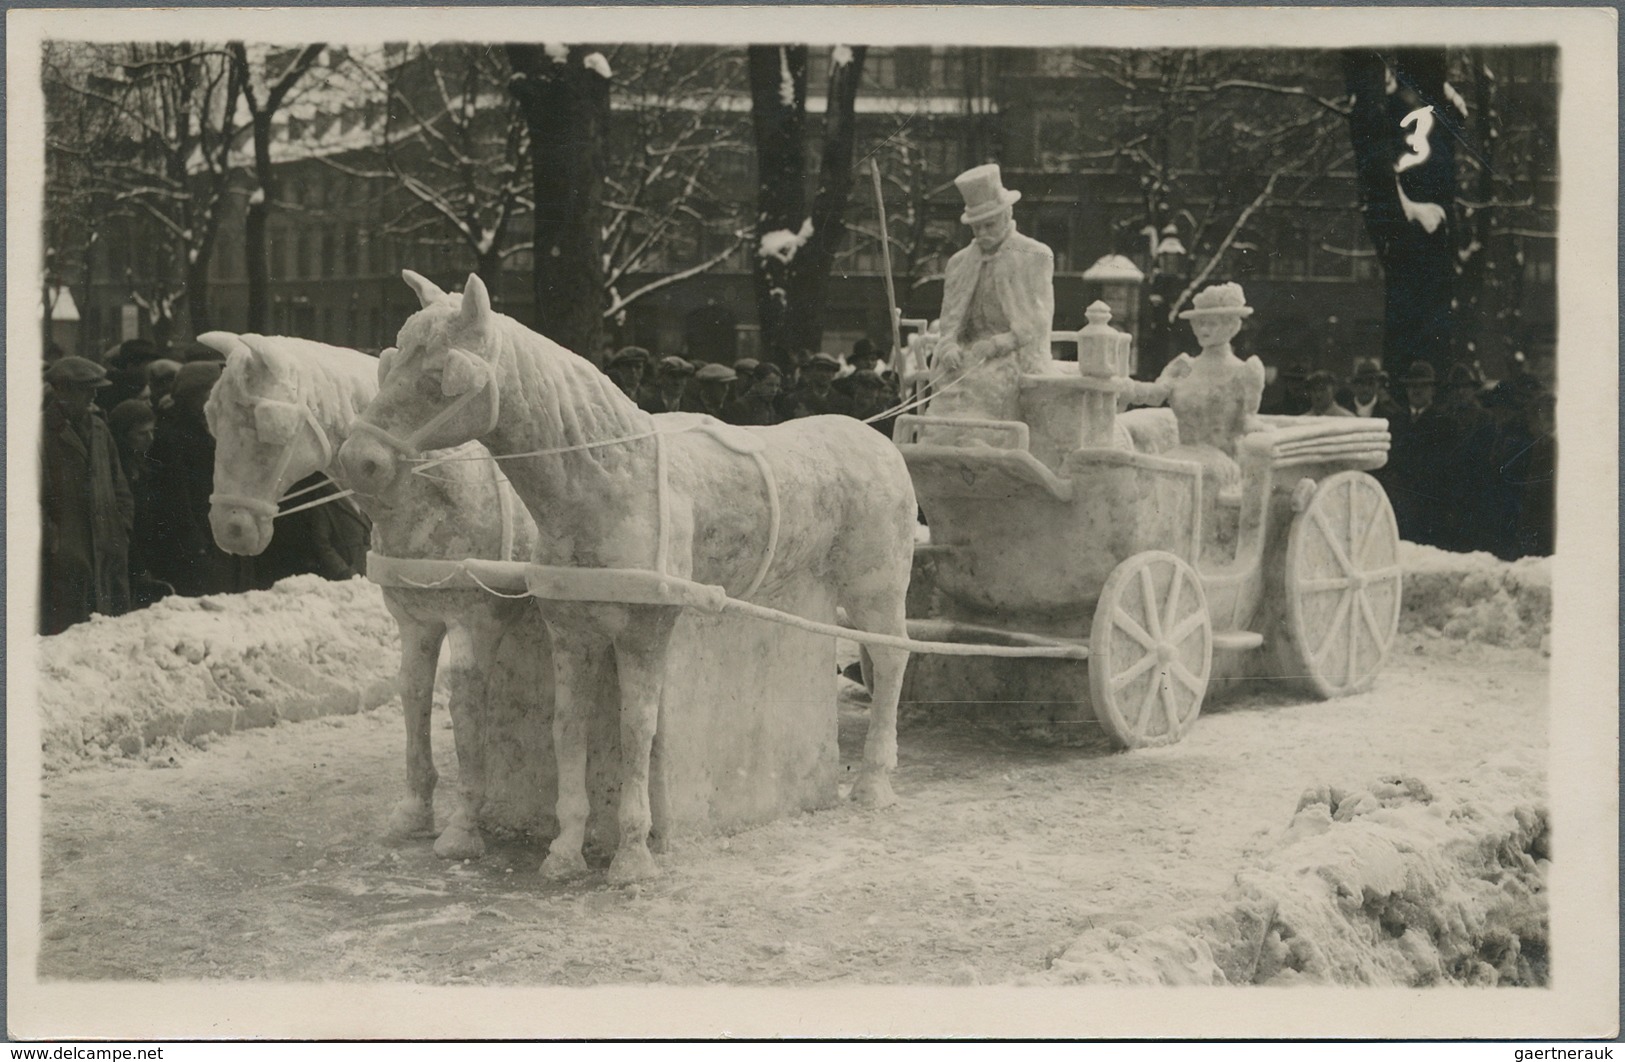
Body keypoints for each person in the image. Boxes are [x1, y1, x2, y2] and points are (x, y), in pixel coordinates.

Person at [924, 164, 1055, 442]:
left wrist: (1000, 344)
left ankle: (982, 446)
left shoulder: (1034, 255)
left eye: (989, 225)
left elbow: (1038, 320)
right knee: (945, 392)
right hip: (968, 354)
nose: (983, 233)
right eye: (976, 227)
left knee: (988, 387)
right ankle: (937, 447)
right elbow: (950, 319)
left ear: (1007, 215)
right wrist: (948, 345)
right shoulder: (959, 263)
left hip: (1012, 354)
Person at [1126, 282, 1266, 496]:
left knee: (1196, 476)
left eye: (1211, 323)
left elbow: (1247, 421)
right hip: (1183, 454)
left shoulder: (1244, 372)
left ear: (1231, 326)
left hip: (1221, 462)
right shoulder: (1184, 366)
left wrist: (1265, 435)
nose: (1203, 329)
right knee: (1154, 475)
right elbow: (1154, 394)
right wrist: (1122, 386)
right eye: (1199, 323)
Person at [39, 357, 133, 633]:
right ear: (60, 391)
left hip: (107, 548)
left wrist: (122, 528)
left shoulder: (99, 429)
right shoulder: (39, 433)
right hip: (67, 556)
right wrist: (54, 541)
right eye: (84, 389)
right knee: (70, 635)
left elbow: (120, 486)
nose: (93, 395)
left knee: (110, 632)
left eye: (95, 389)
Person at [146, 359, 254, 597]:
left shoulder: (215, 429)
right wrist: (197, 547)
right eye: (211, 392)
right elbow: (176, 500)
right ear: (192, 395)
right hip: (197, 548)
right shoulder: (172, 438)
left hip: (221, 539)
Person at [253, 472, 372, 588]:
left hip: (368, 573)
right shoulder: (324, 500)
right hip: (346, 580)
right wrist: (344, 572)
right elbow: (322, 544)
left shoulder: (362, 497)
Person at [106, 398, 172, 609]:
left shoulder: (146, 465)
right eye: (142, 434)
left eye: (152, 431)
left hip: (150, 552)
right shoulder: (116, 472)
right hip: (130, 558)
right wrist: (139, 566)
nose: (150, 439)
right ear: (123, 435)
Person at [1386, 361, 1454, 546]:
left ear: (1432, 390)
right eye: (1412, 386)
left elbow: (1446, 468)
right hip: (1400, 504)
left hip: (1430, 506)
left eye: (1423, 386)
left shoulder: (1444, 423)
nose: (1416, 391)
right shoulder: (1396, 421)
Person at [781, 353, 849, 419]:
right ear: (811, 372)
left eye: (828, 371)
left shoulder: (844, 403)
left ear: (834, 374)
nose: (824, 375)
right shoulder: (794, 401)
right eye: (820, 369)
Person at [728, 362, 785, 426]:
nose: (774, 390)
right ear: (756, 382)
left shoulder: (769, 406)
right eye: (769, 385)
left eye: (777, 385)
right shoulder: (740, 407)